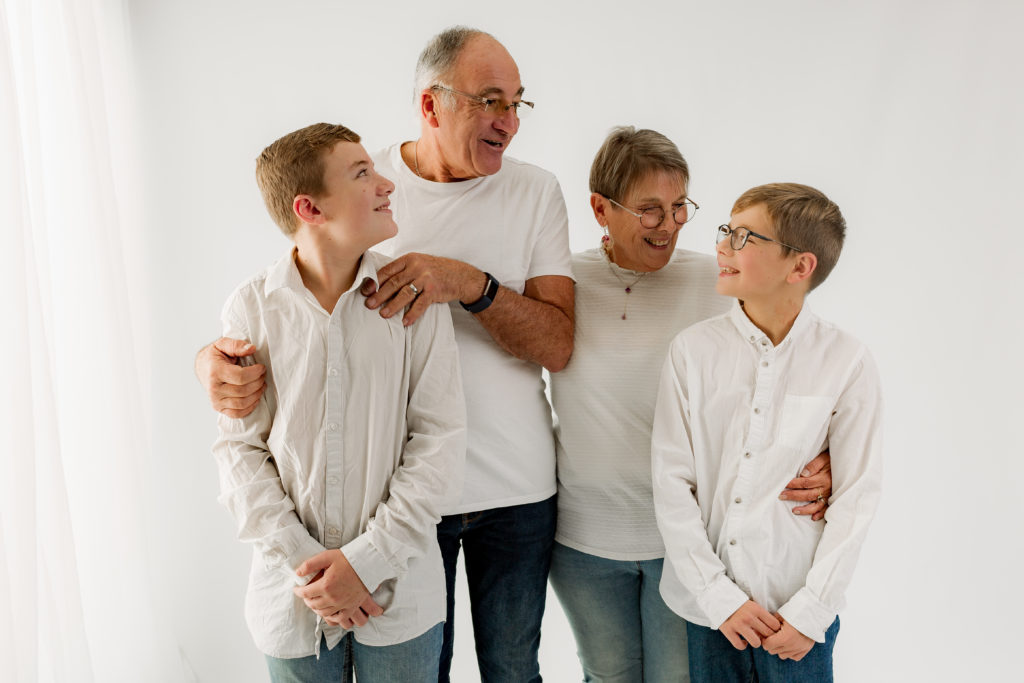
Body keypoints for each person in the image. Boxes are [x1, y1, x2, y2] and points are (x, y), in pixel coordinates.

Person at [196, 27, 574, 683]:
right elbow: (285, 312)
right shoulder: (363, 187)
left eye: (518, 104)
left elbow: (559, 344)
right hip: (390, 506)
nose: (509, 123)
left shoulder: (535, 192)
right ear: (432, 106)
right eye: (490, 102)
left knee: (512, 668)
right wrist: (211, 360)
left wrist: (469, 284)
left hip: (511, 489)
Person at [548, 128, 834, 682]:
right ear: (600, 209)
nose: (671, 225)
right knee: (605, 675)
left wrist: (825, 457)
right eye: (650, 210)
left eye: (680, 206)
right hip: (583, 539)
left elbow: (797, 361)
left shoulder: (719, 279)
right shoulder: (564, 279)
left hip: (690, 544)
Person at [211, 122, 466, 682]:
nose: (386, 184)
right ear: (310, 208)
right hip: (291, 606)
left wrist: (364, 564)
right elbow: (240, 455)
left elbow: (439, 441)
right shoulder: (251, 309)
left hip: (401, 603)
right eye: (362, 173)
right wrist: (313, 573)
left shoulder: (412, 299)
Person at [652, 183, 883, 683]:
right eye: (725, 233)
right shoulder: (692, 352)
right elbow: (671, 484)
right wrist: (718, 597)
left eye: (743, 238)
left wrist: (812, 610)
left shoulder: (845, 361)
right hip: (712, 614)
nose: (722, 247)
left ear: (799, 267)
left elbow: (856, 496)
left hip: (797, 616)